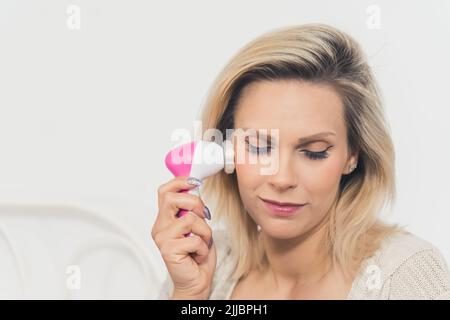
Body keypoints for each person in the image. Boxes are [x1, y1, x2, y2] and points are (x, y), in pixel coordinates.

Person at [152, 23, 450, 299]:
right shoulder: (205, 264)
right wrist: (190, 294)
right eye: (258, 147)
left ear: (353, 154)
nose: (282, 179)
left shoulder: (403, 275)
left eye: (314, 151)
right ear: (227, 150)